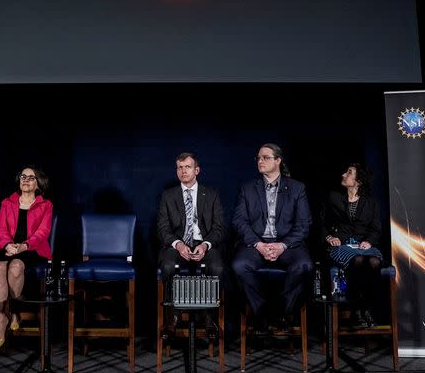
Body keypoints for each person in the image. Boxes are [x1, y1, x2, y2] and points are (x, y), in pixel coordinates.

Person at [231, 143, 313, 331]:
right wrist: (258, 244)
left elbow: (303, 225)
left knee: (304, 266)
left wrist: (282, 245)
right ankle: (262, 312)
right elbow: (239, 221)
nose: (260, 161)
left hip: (287, 244)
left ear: (278, 160)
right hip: (256, 244)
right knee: (239, 266)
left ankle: (282, 312)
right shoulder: (248, 188)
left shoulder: (297, 188)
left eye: (265, 157)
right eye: (258, 158)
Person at [156, 152, 225, 337]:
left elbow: (218, 228)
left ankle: (209, 318)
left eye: (187, 167)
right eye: (179, 167)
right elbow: (162, 229)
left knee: (217, 267)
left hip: (204, 244)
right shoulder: (168, 195)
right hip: (176, 245)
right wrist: (178, 245)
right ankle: (173, 318)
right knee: (169, 265)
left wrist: (204, 246)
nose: (183, 171)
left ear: (197, 170)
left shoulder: (211, 195)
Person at [0, 165, 53, 349]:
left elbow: (43, 232)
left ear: (38, 184)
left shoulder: (46, 205)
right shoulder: (7, 203)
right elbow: (0, 229)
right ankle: (2, 318)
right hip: (8, 246)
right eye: (23, 176)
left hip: (33, 249)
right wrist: (8, 244)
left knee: (16, 266)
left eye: (31, 177)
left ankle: (14, 309)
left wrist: (24, 246)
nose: (25, 179)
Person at [320, 163, 383, 328]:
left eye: (349, 172)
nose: (343, 174)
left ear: (359, 181)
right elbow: (321, 223)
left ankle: (366, 308)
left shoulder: (371, 203)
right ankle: (357, 309)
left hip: (363, 245)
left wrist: (369, 241)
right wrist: (328, 237)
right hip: (341, 245)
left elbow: (376, 229)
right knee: (358, 260)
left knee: (374, 261)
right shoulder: (333, 197)